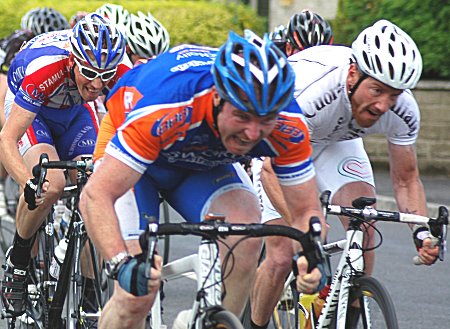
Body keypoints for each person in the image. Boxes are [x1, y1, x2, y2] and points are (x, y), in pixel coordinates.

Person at [79, 30, 327, 329]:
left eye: (265, 120)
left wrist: (313, 258)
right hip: (141, 163)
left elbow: (305, 212)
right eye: (242, 116)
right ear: (218, 97)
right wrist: (121, 262)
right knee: (137, 292)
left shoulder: (288, 123)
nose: (253, 132)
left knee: (246, 231)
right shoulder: (167, 106)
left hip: (203, 161)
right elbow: (96, 195)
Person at [249, 19, 439, 328]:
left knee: (364, 219)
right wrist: (304, 226)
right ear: (352, 75)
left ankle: (351, 305)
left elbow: (406, 180)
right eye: (376, 90)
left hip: (339, 141)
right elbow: (271, 169)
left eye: (393, 95)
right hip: (285, 145)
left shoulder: (402, 109)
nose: (382, 105)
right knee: (283, 252)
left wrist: (421, 232)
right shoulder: (311, 93)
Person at [0, 13, 130, 317]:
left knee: (99, 192)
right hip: (35, 112)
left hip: (75, 113)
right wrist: (27, 182)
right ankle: (18, 263)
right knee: (51, 185)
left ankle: (87, 290)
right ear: (72, 61)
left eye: (106, 74)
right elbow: (7, 138)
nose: (98, 83)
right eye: (89, 71)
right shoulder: (44, 69)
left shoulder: (121, 72)